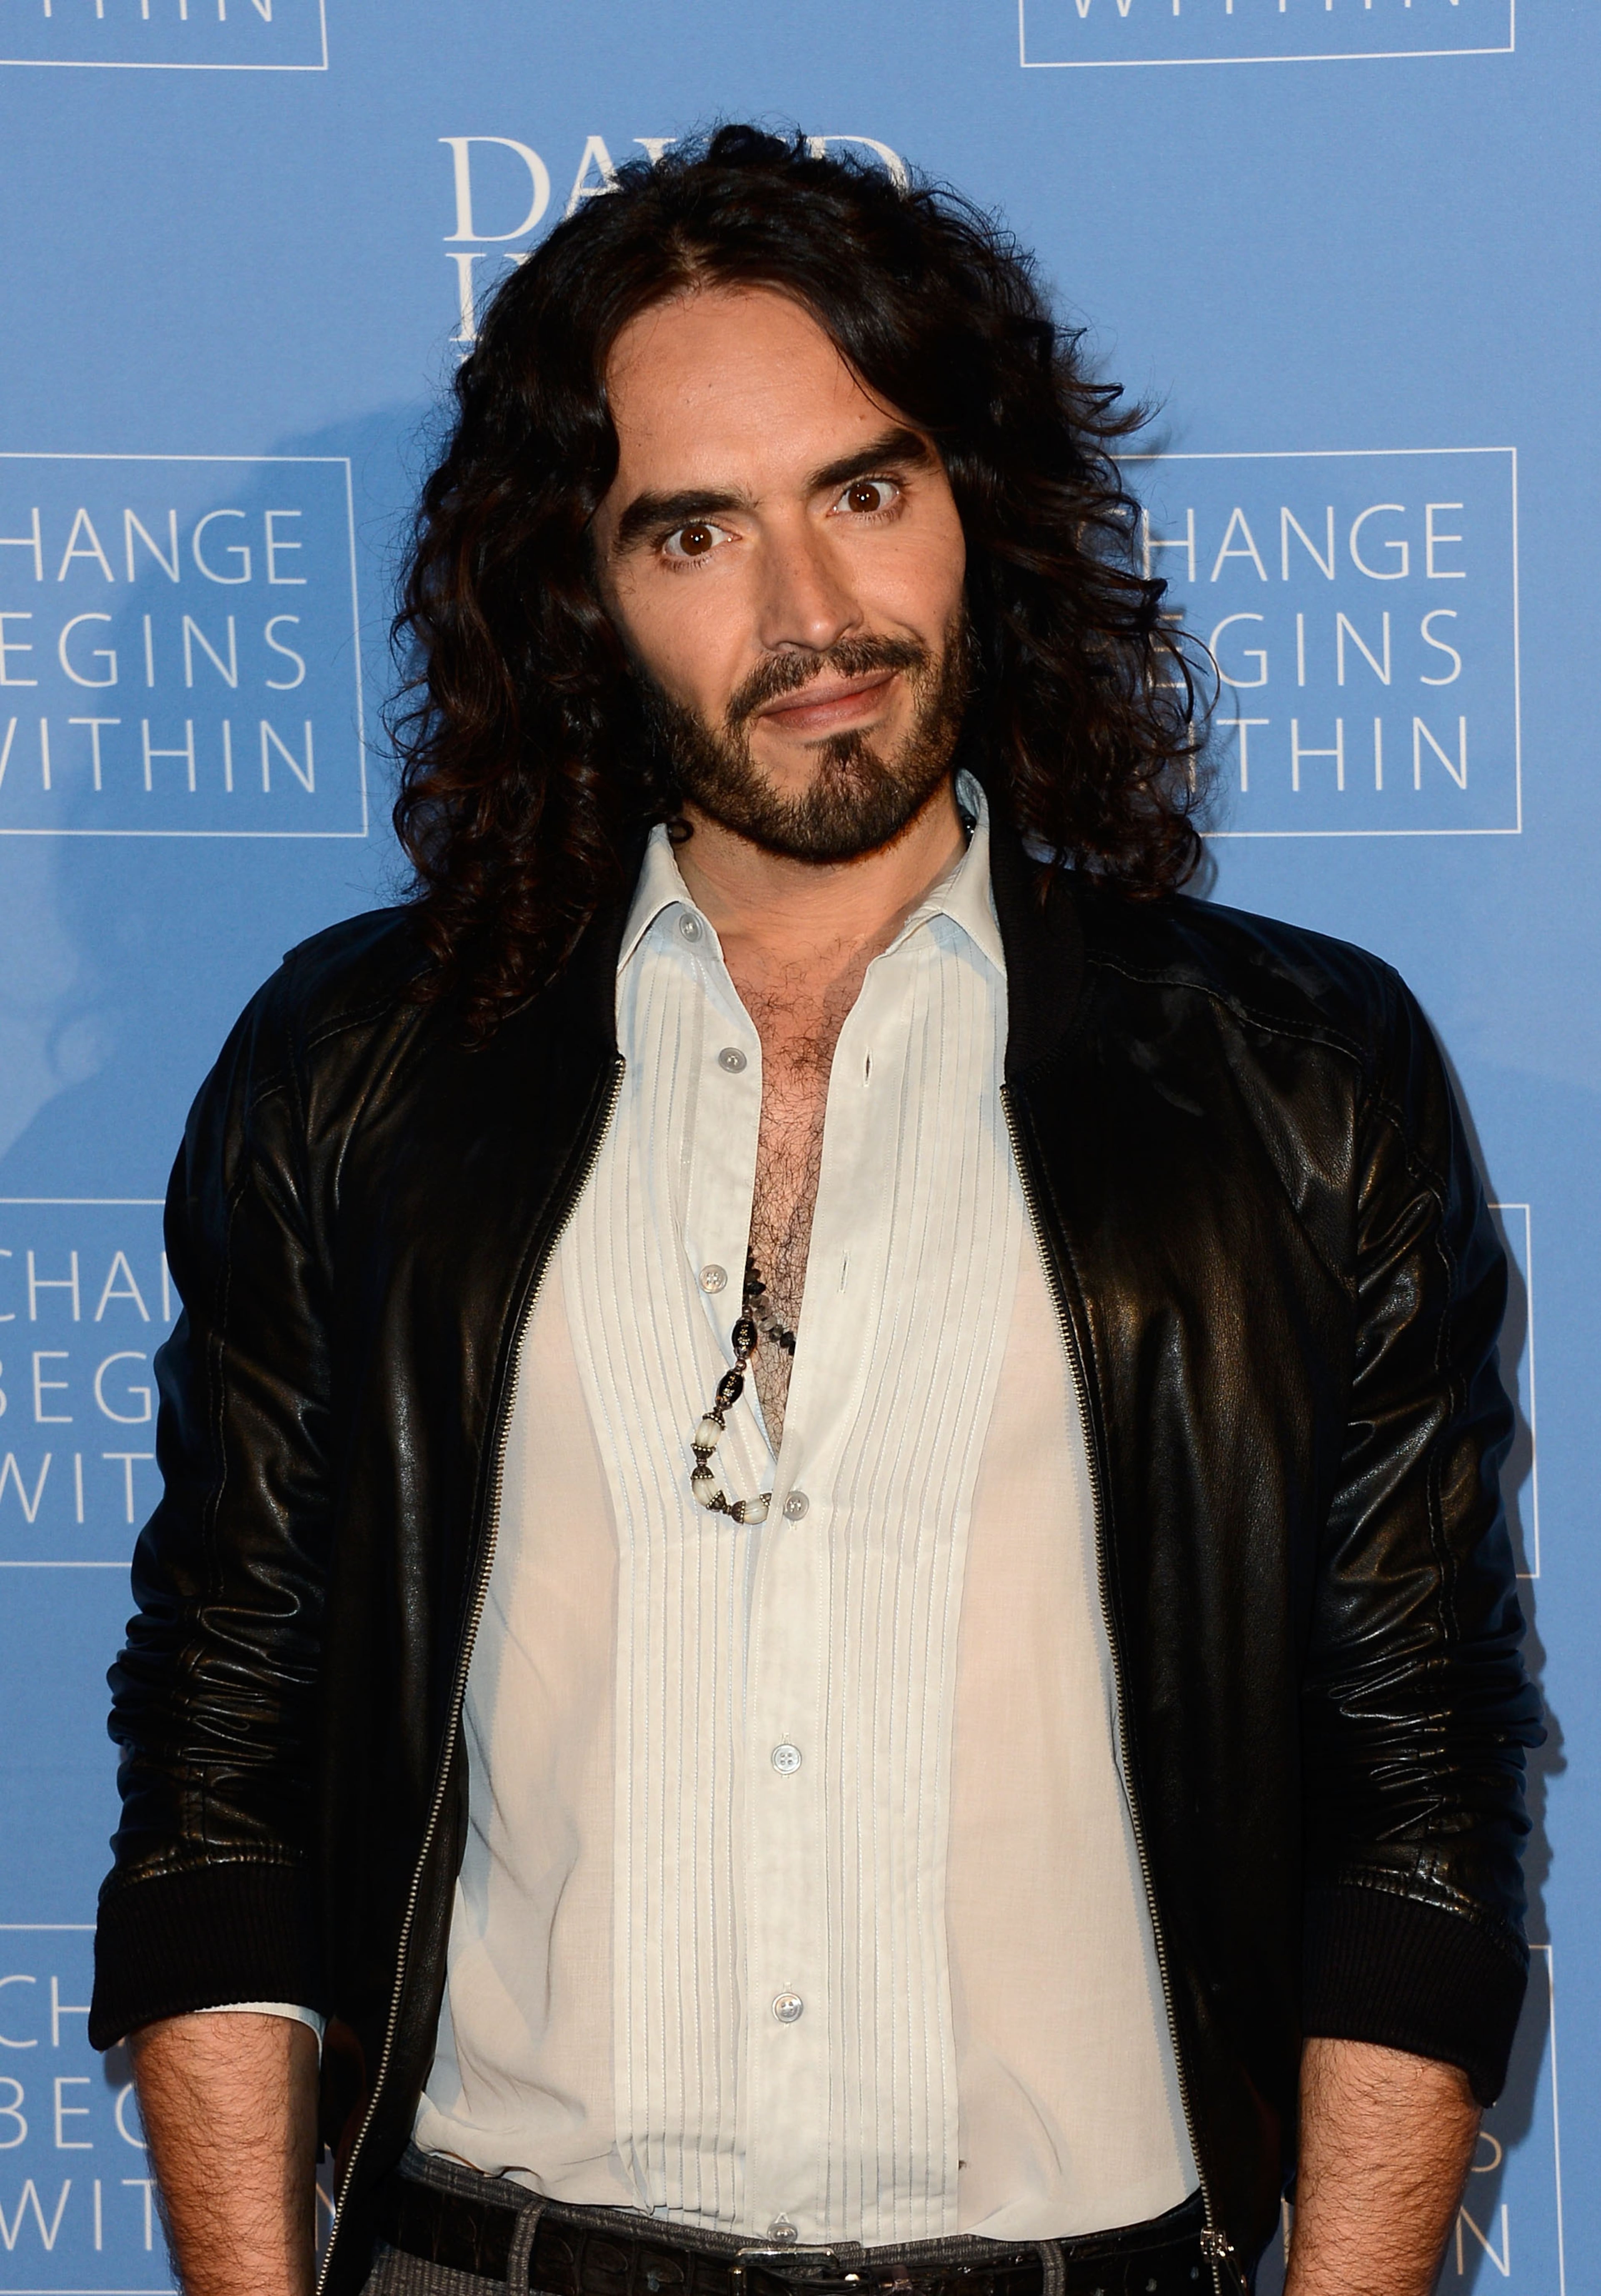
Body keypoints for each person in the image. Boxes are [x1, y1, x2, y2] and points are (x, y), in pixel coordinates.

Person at [89, 127, 1540, 2296]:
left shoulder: (1303, 1089)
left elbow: (1419, 1801)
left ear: (979, 508)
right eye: (697, 532)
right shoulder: (351, 1075)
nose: (812, 619)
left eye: (865, 492)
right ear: (578, 592)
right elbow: (221, 1767)